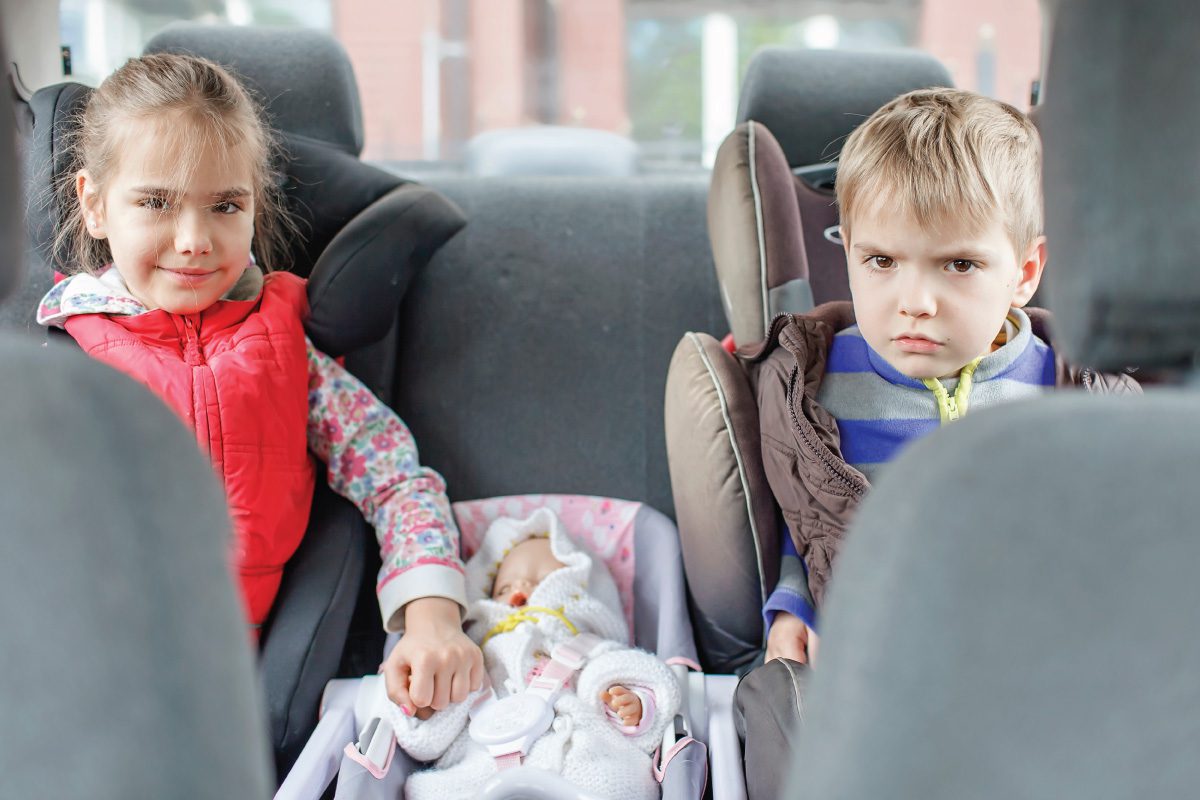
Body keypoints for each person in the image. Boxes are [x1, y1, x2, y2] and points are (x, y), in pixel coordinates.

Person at [35, 52, 481, 716]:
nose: (194, 239)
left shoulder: (289, 354)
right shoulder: (59, 358)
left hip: (247, 678)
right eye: (155, 202)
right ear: (94, 204)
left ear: (253, 208)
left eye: (224, 206)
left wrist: (431, 613)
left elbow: (395, 478)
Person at [735, 88, 1140, 800]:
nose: (914, 301)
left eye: (957, 266)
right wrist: (792, 611)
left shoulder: (1065, 391)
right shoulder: (821, 389)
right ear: (850, 254)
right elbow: (814, 521)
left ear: (1024, 271)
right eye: (882, 262)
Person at [390, 507, 680, 800]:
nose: (520, 590)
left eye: (542, 580)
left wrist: (630, 703)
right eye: (504, 587)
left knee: (613, 780)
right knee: (434, 790)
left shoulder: (588, 647)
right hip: (480, 766)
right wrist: (428, 703)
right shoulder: (471, 655)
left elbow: (634, 672)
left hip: (575, 753)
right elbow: (428, 739)